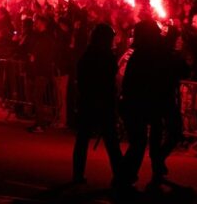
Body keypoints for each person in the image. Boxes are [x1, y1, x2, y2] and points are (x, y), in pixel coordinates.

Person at [118, 19, 188, 191]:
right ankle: (126, 177)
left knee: (154, 137)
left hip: (152, 101)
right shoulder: (145, 53)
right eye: (156, 32)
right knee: (142, 141)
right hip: (149, 101)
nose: (159, 34)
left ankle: (149, 166)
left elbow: (180, 69)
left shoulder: (148, 52)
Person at [72, 23, 123, 186]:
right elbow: (109, 79)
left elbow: (81, 79)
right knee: (111, 142)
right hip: (101, 102)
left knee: (83, 140)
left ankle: (78, 174)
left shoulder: (88, 55)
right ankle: (120, 176)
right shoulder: (105, 56)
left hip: (88, 102)